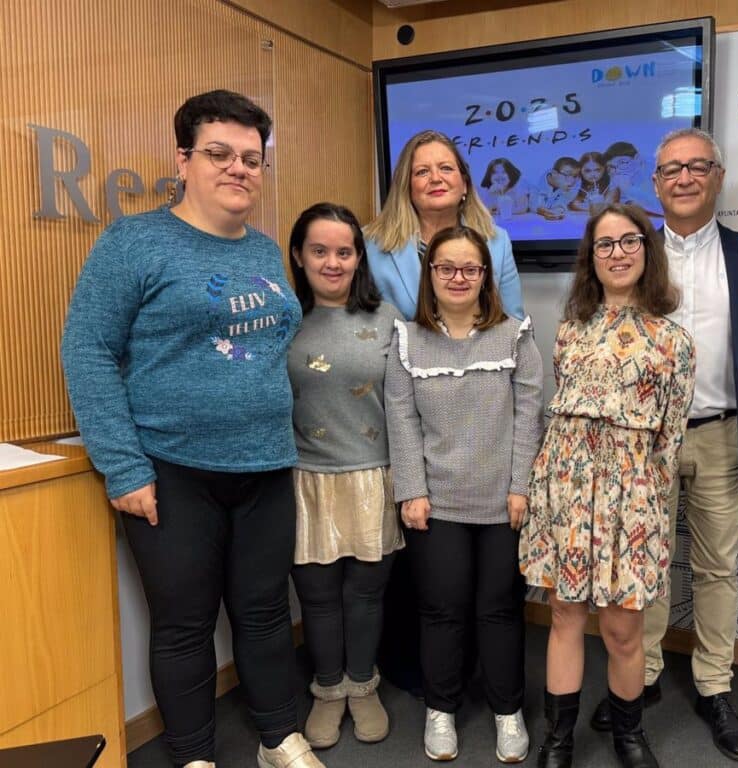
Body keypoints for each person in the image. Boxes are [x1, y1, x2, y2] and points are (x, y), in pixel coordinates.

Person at [61, 91, 323, 768]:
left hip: (264, 464)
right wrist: (123, 466)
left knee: (265, 613)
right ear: (184, 159)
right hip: (171, 469)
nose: (238, 169)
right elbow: (87, 349)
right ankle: (194, 755)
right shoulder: (136, 242)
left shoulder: (266, 252)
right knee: (182, 626)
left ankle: (277, 737)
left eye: (250, 158)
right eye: (220, 154)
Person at [588, 128, 738, 763]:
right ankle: (638, 678)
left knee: (716, 568)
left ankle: (714, 686)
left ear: (718, 175)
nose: (683, 178)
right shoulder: (631, 254)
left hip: (726, 435)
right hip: (643, 443)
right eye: (670, 169)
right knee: (640, 571)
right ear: (654, 183)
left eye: (696, 167)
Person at [521, 204, 695, 768]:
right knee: (566, 618)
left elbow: (670, 440)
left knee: (624, 630)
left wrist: (643, 500)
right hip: (567, 491)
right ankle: (558, 738)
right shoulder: (570, 331)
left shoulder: (674, 341)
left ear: (647, 251)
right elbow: (561, 421)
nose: (617, 253)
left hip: (632, 500)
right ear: (590, 259)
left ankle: (629, 735)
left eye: (628, 242)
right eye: (604, 244)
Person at [384, 226, 544, 763]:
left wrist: (521, 487)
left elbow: (529, 417)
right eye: (446, 267)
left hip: (503, 502)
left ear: (485, 276)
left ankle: (507, 710)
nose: (458, 277)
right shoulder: (406, 339)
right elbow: (401, 420)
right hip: (436, 503)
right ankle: (441, 710)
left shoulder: (516, 335)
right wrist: (410, 489)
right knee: (441, 609)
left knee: (499, 609)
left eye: (470, 268)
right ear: (430, 276)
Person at [286, 203, 404, 750]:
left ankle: (363, 686)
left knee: (365, 594)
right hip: (304, 477)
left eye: (344, 251)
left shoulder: (386, 319)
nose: (333, 262)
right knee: (317, 596)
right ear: (299, 256)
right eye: (320, 251)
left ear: (359, 258)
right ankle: (328, 690)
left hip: (370, 477)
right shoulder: (282, 317)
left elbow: (404, 407)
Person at [364, 129, 524, 321]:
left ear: (464, 183)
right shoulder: (371, 244)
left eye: (446, 168)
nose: (436, 178)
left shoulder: (497, 241)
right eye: (422, 172)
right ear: (406, 187)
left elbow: (514, 326)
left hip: (480, 350)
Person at [603, 142, 662, 216]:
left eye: (623, 162)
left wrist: (628, 190)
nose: (618, 170)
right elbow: (607, 208)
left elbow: (662, 209)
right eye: (612, 166)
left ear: (637, 159)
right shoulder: (616, 172)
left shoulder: (655, 169)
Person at [531, 156, 581, 220]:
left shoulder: (575, 182)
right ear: (554, 173)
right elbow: (534, 204)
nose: (572, 181)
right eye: (567, 175)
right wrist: (545, 212)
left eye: (575, 176)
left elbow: (564, 201)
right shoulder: (535, 182)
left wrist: (558, 210)